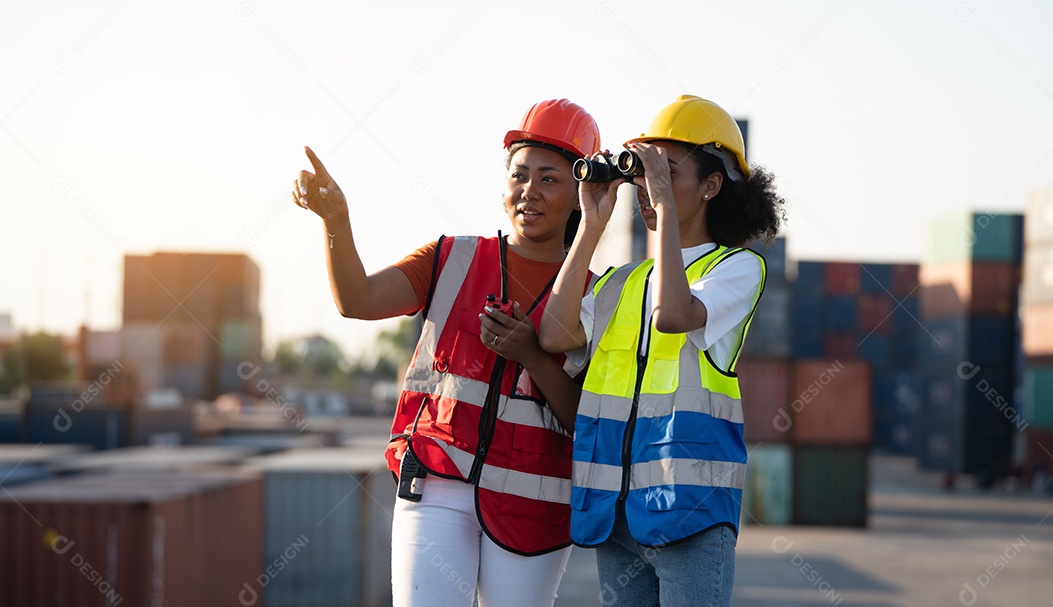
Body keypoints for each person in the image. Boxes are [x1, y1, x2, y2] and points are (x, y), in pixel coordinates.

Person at [291, 99, 601, 607]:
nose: (530, 192)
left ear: (580, 195)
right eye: (520, 175)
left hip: (533, 503)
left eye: (550, 179)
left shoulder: (599, 294)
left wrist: (533, 355)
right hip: (437, 484)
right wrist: (336, 219)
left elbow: (584, 419)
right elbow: (356, 301)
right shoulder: (452, 257)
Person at [540, 95, 785, 606]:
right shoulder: (621, 283)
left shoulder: (736, 269)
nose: (649, 191)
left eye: (666, 172)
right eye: (644, 174)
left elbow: (674, 316)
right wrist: (589, 224)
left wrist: (666, 209)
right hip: (617, 513)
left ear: (711, 186)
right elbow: (555, 336)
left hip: (690, 513)